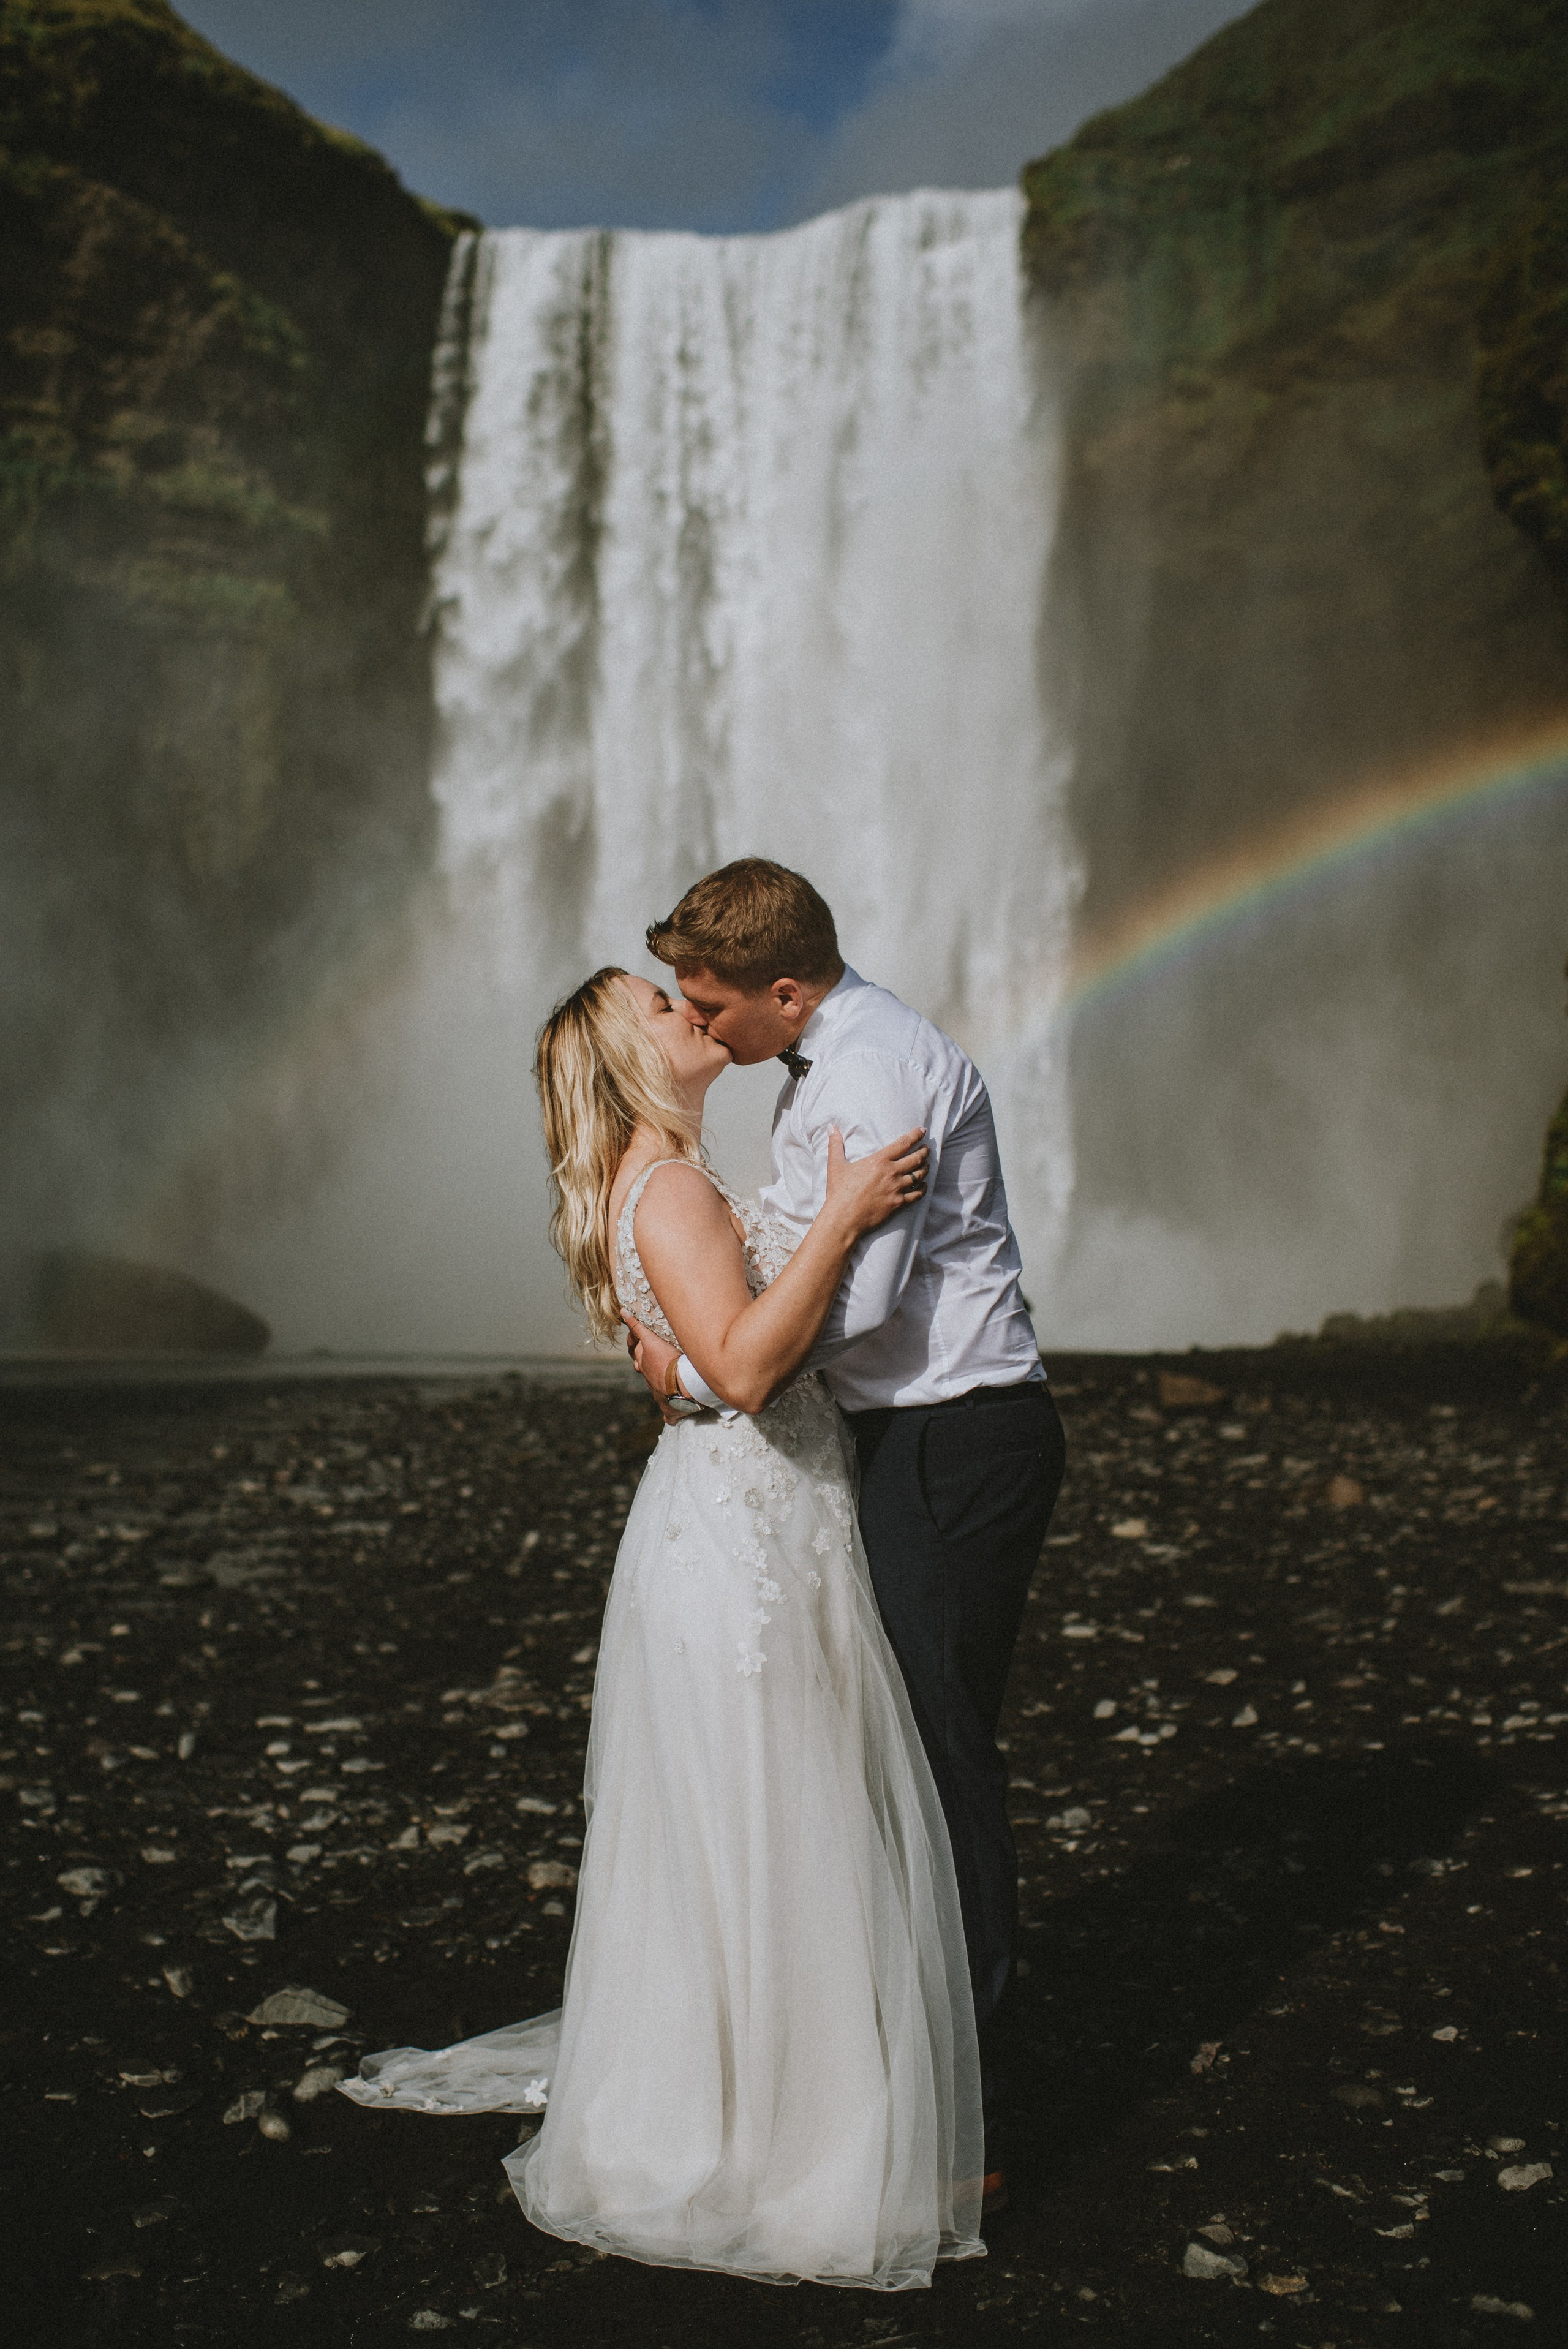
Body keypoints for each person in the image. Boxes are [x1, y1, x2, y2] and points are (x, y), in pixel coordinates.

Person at [341, 963, 986, 2291]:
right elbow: (746, 1370)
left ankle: (754, 2096)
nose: (690, 1011)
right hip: (743, 1536)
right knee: (780, 1813)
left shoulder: (654, 1183)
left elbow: (695, 1364)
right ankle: (791, 2140)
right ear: (626, 1060)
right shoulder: (676, 1186)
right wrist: (849, 1213)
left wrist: (686, 1362)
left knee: (749, 1822)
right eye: (658, 1006)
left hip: (739, 1526)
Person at [625, 859, 1066, 2204]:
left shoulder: (869, 1070)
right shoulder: (825, 1061)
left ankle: (972, 2113)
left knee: (938, 1752)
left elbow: (866, 1307)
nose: (695, 1022)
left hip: (948, 1434)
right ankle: (902, 2054)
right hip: (908, 1437)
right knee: (901, 1748)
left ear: (782, 988)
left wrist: (706, 1372)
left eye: (708, 1000)